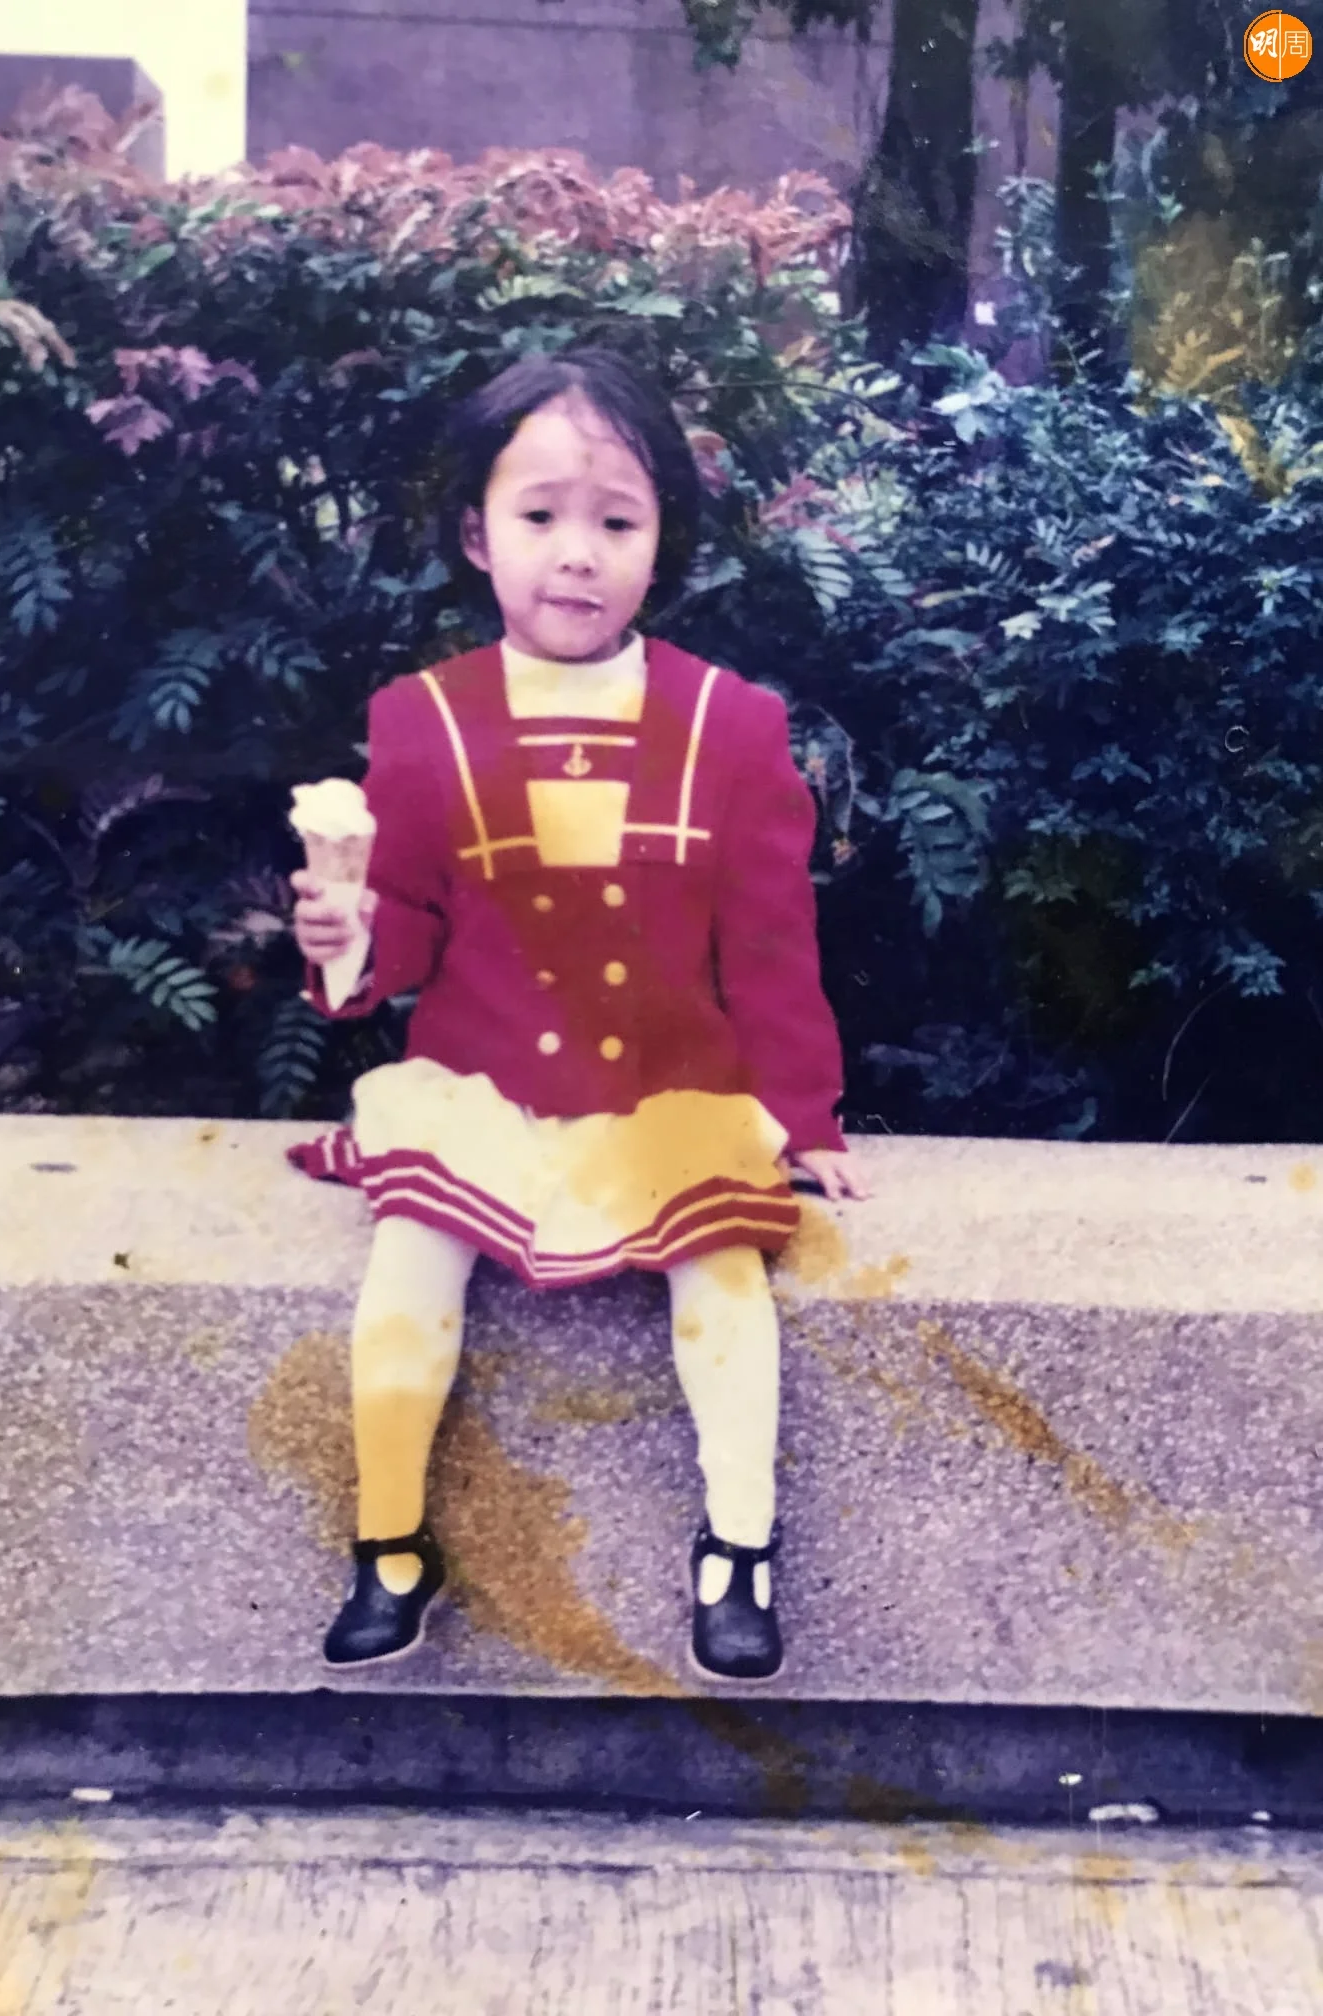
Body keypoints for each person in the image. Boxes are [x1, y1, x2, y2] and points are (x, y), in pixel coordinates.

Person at [288, 346, 868, 1683]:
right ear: (475, 534)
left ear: (661, 542)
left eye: (617, 522)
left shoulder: (729, 724)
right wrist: (349, 932)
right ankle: (390, 1545)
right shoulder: (422, 721)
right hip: (483, 1091)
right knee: (410, 1262)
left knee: (726, 1273)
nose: (576, 554)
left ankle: (738, 1552)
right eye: (540, 514)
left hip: (669, 1093)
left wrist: (802, 1118)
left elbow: (767, 943)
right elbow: (412, 926)